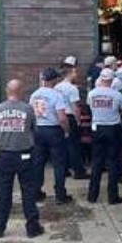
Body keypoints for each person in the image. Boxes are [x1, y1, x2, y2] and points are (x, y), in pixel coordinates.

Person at [0, 80, 44, 239]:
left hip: (5, 154)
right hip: (24, 154)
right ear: (20, 91)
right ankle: (32, 227)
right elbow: (33, 129)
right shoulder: (28, 109)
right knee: (28, 191)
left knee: (4, 192)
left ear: (7, 91)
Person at [30, 68, 74, 204]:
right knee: (59, 163)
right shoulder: (56, 95)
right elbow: (62, 117)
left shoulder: (35, 94)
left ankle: (36, 191)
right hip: (54, 130)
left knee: (38, 162)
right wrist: (66, 130)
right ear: (54, 80)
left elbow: (31, 113)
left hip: (39, 129)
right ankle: (60, 194)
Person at [86, 69, 122, 204]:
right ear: (111, 80)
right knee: (113, 162)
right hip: (113, 128)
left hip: (97, 127)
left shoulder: (92, 94)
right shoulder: (117, 95)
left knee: (96, 162)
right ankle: (112, 196)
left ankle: (92, 195)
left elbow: (89, 108)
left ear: (100, 79)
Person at [55, 59, 90, 180]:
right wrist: (78, 120)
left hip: (60, 117)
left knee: (63, 145)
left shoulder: (57, 87)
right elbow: (75, 107)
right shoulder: (72, 89)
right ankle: (78, 170)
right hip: (70, 117)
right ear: (69, 73)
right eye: (75, 72)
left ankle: (64, 169)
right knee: (74, 146)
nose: (77, 75)